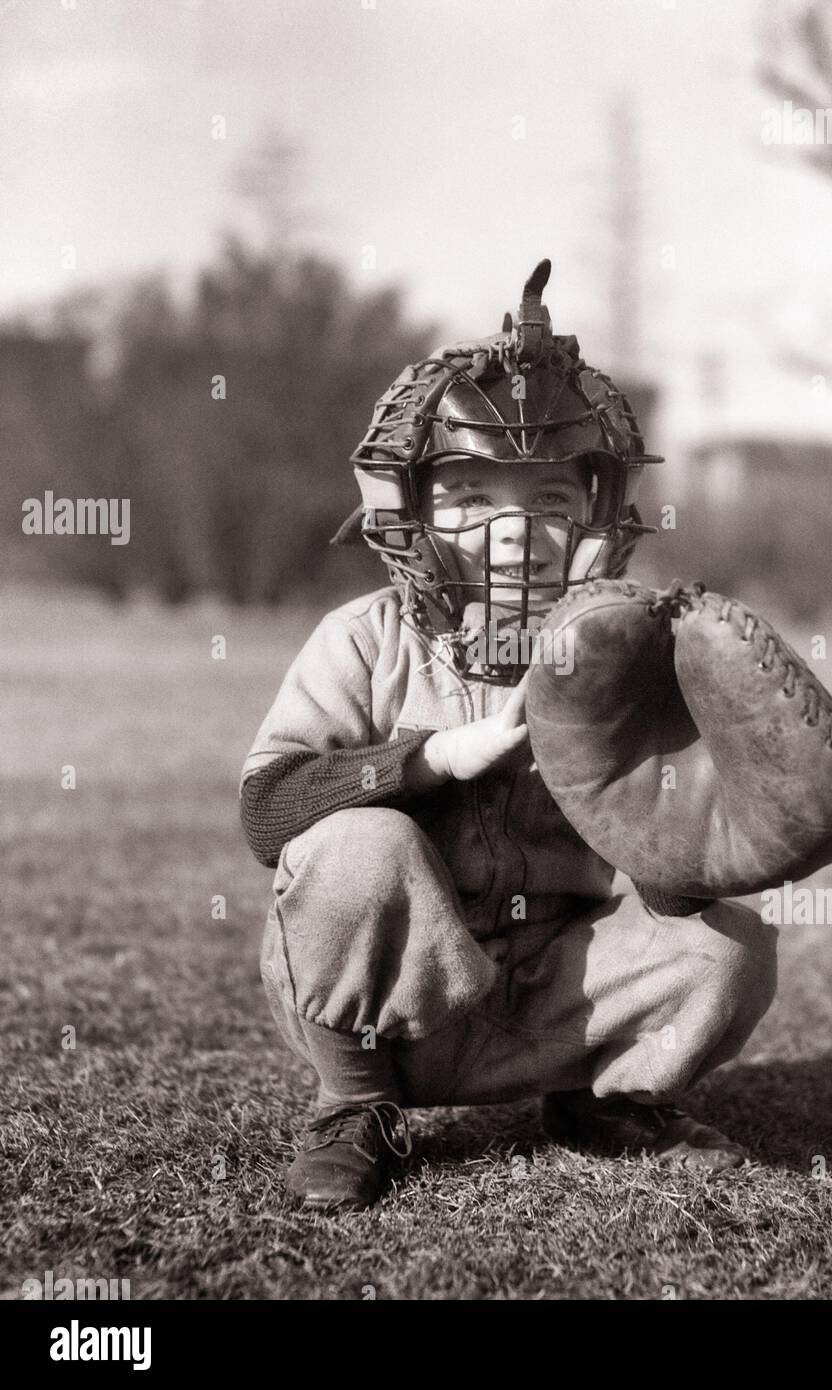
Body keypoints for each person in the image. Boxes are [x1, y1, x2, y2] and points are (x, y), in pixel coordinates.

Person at [239, 261, 778, 1210]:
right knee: (355, 846)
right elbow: (269, 811)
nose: (514, 533)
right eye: (472, 497)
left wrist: (708, 835)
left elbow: (663, 876)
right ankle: (353, 1106)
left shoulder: (636, 654)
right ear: (406, 508)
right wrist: (432, 759)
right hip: (397, 1013)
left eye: (549, 502)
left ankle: (603, 1102)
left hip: (555, 994)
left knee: (728, 942)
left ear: (600, 520)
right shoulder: (363, 640)